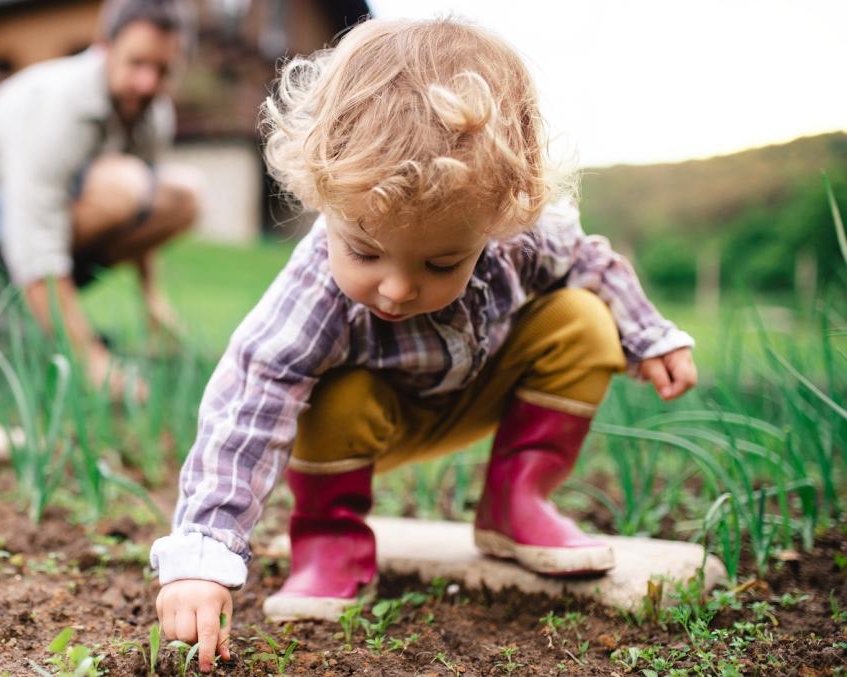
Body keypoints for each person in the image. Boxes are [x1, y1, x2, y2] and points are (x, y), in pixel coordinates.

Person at [149, 17, 698, 672]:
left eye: (441, 263)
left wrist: (648, 334)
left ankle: (516, 501)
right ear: (324, 197)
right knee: (324, 390)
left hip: (478, 389)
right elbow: (248, 401)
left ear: (496, 219)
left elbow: (592, 262)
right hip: (367, 424)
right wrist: (204, 553)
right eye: (365, 250)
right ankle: (329, 538)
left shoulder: (515, 236)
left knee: (582, 317)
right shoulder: (314, 291)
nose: (397, 287)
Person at [0, 0, 200, 398]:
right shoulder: (59, 101)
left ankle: (32, 313)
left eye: (163, 70)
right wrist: (91, 359)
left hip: (50, 214)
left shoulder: (154, 111)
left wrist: (152, 299)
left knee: (184, 197)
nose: (147, 82)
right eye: (136, 63)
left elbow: (145, 210)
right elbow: (34, 229)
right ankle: (7, 306)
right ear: (104, 47)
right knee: (123, 184)